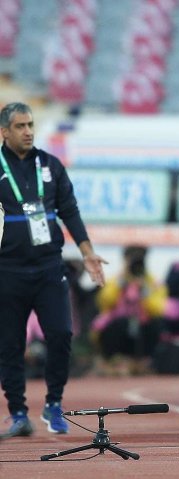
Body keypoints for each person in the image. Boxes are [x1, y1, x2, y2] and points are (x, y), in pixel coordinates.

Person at [0, 102, 106, 438]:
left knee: (61, 334)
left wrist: (87, 252)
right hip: (9, 270)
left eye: (30, 124)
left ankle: (54, 403)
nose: (28, 131)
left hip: (49, 267)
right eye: (20, 126)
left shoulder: (50, 164)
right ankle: (18, 413)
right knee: (10, 344)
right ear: (4, 132)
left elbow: (70, 211)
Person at [90, 245, 166, 374]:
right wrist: (121, 284)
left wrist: (144, 291)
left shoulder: (152, 282)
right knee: (120, 324)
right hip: (118, 330)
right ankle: (114, 359)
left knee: (156, 325)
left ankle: (145, 361)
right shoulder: (116, 280)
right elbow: (104, 303)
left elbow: (158, 310)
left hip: (143, 330)